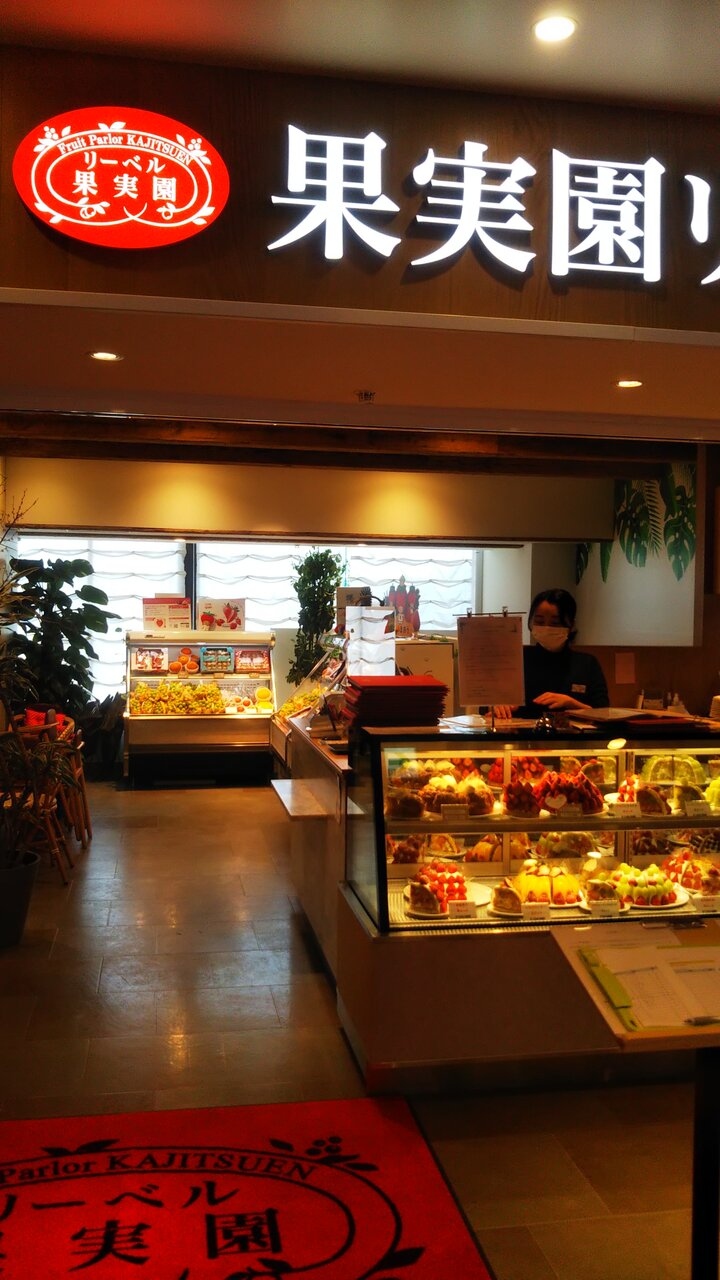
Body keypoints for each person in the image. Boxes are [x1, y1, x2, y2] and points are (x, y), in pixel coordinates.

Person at [494, 588, 609, 719]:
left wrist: (572, 703)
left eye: (555, 623)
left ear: (571, 625)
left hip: (572, 732)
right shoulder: (517, 660)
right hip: (521, 731)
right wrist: (497, 706)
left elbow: (603, 713)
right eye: (539, 621)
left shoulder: (587, 664)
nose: (546, 628)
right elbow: (487, 704)